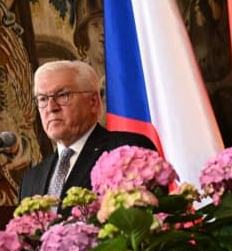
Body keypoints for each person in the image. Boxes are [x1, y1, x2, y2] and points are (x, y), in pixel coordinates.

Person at [19, 60, 156, 202]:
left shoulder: (127, 151)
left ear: (93, 102)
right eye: (42, 99)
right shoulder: (31, 180)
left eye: (62, 95)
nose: (51, 107)